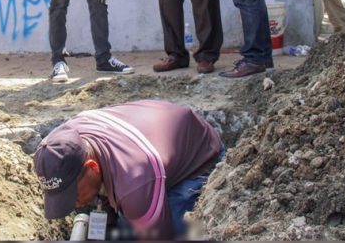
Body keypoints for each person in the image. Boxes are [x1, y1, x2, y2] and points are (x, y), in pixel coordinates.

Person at [33, 100, 225, 241]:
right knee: (121, 231)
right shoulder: (57, 144)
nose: (73, 204)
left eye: (73, 195)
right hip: (152, 147)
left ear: (92, 167)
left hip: (198, 157)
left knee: (174, 231)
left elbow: (157, 238)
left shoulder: (134, 182)